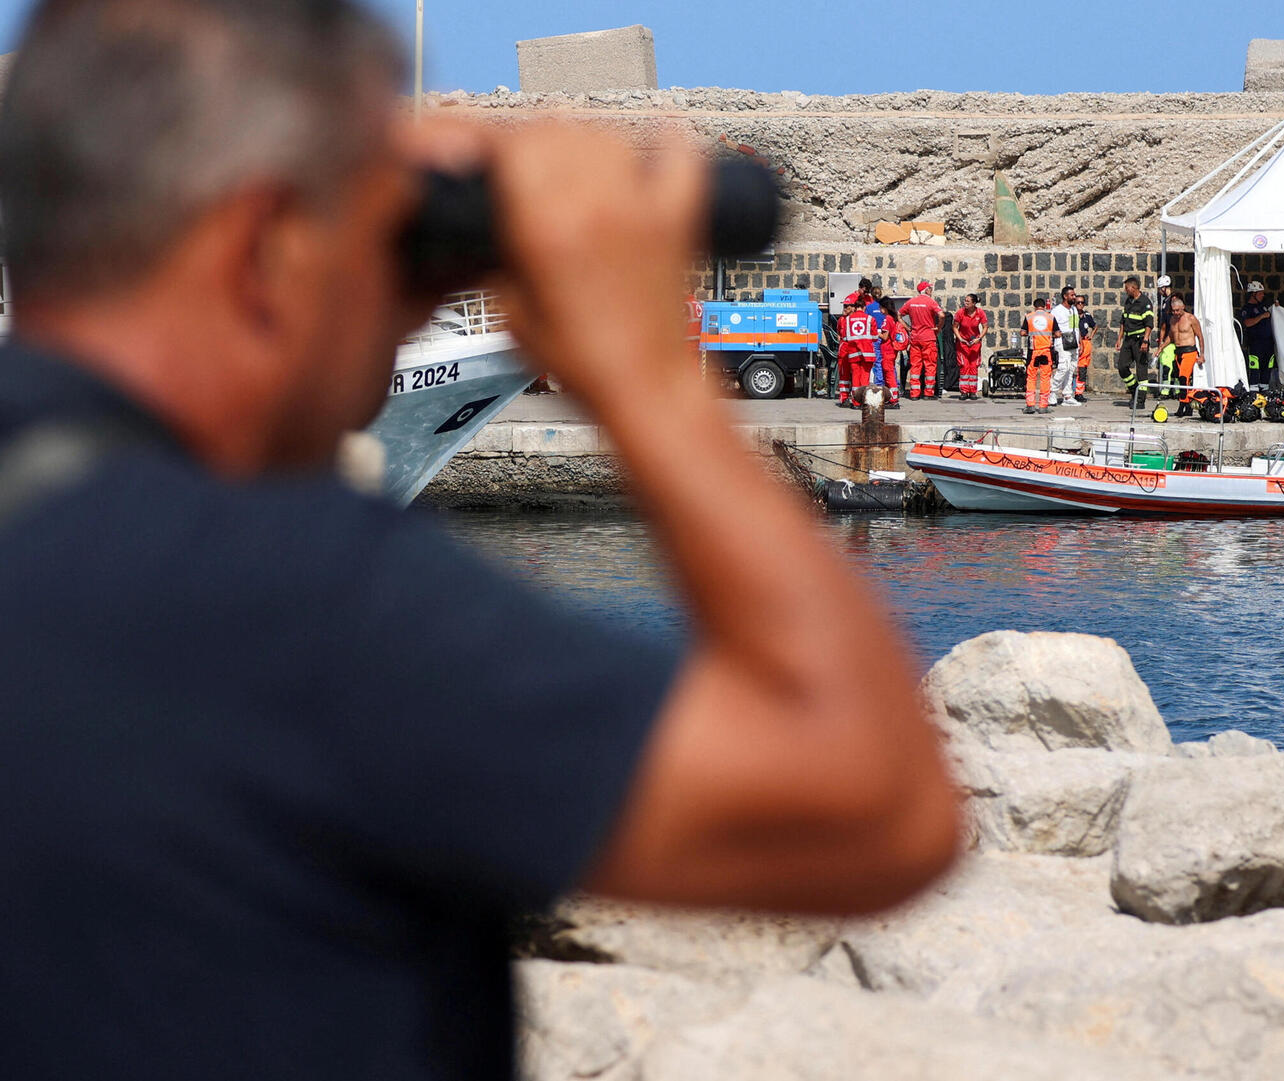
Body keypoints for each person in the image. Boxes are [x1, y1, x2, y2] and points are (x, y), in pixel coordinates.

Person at [0, 3, 962, 1081]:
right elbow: (875, 807)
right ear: (264, 244)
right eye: (381, 232)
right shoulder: (295, 610)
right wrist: (639, 365)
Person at [900, 281, 943, 401]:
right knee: (930, 365)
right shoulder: (930, 301)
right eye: (930, 288)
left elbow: (898, 315)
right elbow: (942, 315)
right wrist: (938, 328)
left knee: (915, 366)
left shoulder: (911, 302)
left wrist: (908, 328)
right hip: (928, 338)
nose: (931, 290)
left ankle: (914, 393)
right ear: (927, 290)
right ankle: (928, 393)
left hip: (915, 338)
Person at [1163, 296, 1205, 418]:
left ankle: (1184, 405)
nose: (1175, 313)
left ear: (1183, 308)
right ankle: (1185, 405)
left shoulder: (1190, 319)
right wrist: (1161, 348)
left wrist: (1202, 355)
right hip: (1178, 352)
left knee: (1183, 378)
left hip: (1189, 351)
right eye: (1173, 310)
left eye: (1177, 310)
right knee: (1179, 379)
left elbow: (1200, 336)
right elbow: (1171, 336)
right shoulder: (1172, 320)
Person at [1116, 276, 1155, 403]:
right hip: (1128, 339)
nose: (1125, 290)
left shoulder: (1145, 303)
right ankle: (1134, 389)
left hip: (1140, 340)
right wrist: (1119, 338)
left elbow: (1149, 324)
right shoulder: (1128, 301)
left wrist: (1145, 340)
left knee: (1141, 370)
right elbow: (1123, 321)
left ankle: (1140, 399)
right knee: (1122, 366)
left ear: (1134, 288)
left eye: (1127, 288)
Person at [836, 293, 879, 405]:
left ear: (854, 306)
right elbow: (874, 337)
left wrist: (856, 340)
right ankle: (863, 400)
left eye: (847, 306)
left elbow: (844, 337)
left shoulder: (847, 320)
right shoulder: (870, 319)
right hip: (867, 353)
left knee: (855, 377)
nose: (845, 308)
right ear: (864, 307)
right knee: (864, 378)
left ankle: (855, 401)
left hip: (853, 352)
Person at [1238, 280, 1278, 390]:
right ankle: (1253, 392)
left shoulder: (1263, 306)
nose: (1262, 295)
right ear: (1253, 294)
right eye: (1260, 293)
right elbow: (1247, 323)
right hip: (1256, 344)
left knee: (1267, 367)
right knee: (1255, 368)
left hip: (1268, 344)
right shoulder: (1247, 309)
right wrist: (1261, 317)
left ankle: (1265, 390)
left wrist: (1276, 308)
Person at [1022, 295, 1055, 414]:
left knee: (1031, 377)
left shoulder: (1029, 317)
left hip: (1033, 351)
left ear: (1035, 307)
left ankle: (1030, 405)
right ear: (1045, 306)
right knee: (1045, 378)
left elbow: (1022, 332)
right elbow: (1057, 333)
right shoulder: (1051, 317)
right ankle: (1043, 406)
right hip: (1046, 351)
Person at [1049, 286, 1080, 408]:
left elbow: (1076, 327)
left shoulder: (1074, 310)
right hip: (1062, 342)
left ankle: (1067, 395)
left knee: (1071, 368)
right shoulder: (1057, 311)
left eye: (1074, 294)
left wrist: (1080, 342)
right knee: (1063, 367)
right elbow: (1050, 326)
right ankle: (1052, 392)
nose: (1074, 297)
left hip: (1074, 342)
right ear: (1065, 296)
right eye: (1072, 295)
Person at [953, 293, 987, 400]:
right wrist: (960, 338)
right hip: (963, 344)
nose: (965, 303)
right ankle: (963, 391)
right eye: (965, 300)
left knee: (973, 367)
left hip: (975, 344)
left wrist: (979, 338)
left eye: (968, 301)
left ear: (974, 303)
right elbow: (954, 327)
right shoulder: (960, 313)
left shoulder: (980, 313)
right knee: (964, 367)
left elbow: (985, 327)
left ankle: (973, 391)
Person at [876, 296, 904, 405]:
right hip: (890, 350)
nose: (879, 310)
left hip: (887, 350)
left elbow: (885, 336)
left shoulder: (887, 319)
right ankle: (890, 397)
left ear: (885, 308)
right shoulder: (893, 319)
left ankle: (893, 398)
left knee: (889, 375)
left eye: (881, 307)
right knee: (888, 373)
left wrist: (875, 332)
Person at [1072, 293, 1095, 402]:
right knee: (1074, 368)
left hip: (1086, 344)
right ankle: (1072, 392)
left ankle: (1079, 393)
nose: (1080, 304)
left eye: (1082, 302)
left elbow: (1095, 326)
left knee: (1083, 369)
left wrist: (1091, 335)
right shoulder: (1072, 315)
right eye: (1078, 302)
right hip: (1075, 343)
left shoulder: (1087, 316)